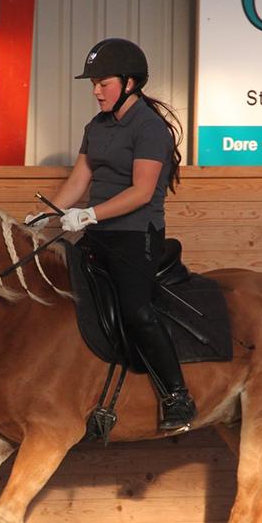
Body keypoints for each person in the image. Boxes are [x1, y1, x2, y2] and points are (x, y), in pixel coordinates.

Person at [38, 37, 196, 432]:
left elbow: (142, 192)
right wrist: (49, 213)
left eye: (102, 83)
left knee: (134, 311)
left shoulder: (150, 129)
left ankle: (177, 395)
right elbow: (80, 178)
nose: (95, 91)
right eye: (93, 83)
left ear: (129, 83)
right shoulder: (97, 126)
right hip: (99, 233)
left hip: (135, 236)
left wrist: (88, 214)